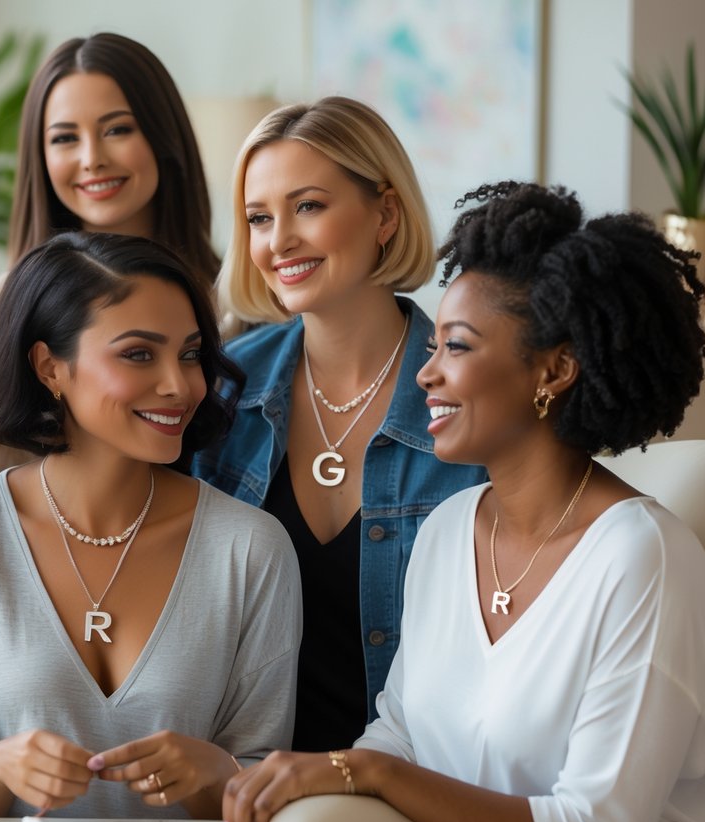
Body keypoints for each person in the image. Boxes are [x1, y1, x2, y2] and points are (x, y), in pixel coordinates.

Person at [222, 181, 705, 822]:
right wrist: (318, 786)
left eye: (455, 346)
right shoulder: (449, 529)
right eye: (431, 349)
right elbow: (396, 734)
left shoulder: (642, 557)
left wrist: (365, 773)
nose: (425, 375)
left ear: (553, 371)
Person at [0, 232, 301, 820]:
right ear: (50, 367)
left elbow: (263, 784)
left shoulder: (251, 549)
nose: (179, 385)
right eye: (139, 353)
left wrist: (220, 774)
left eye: (190, 354)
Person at [193, 98, 486, 751]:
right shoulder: (220, 391)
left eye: (307, 206)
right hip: (244, 782)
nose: (278, 242)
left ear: (385, 212)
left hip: (423, 781)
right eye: (258, 218)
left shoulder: (470, 392)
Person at [0, 32, 219, 340]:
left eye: (117, 129)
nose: (92, 159)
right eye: (65, 138)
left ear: (164, 135)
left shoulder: (232, 305)